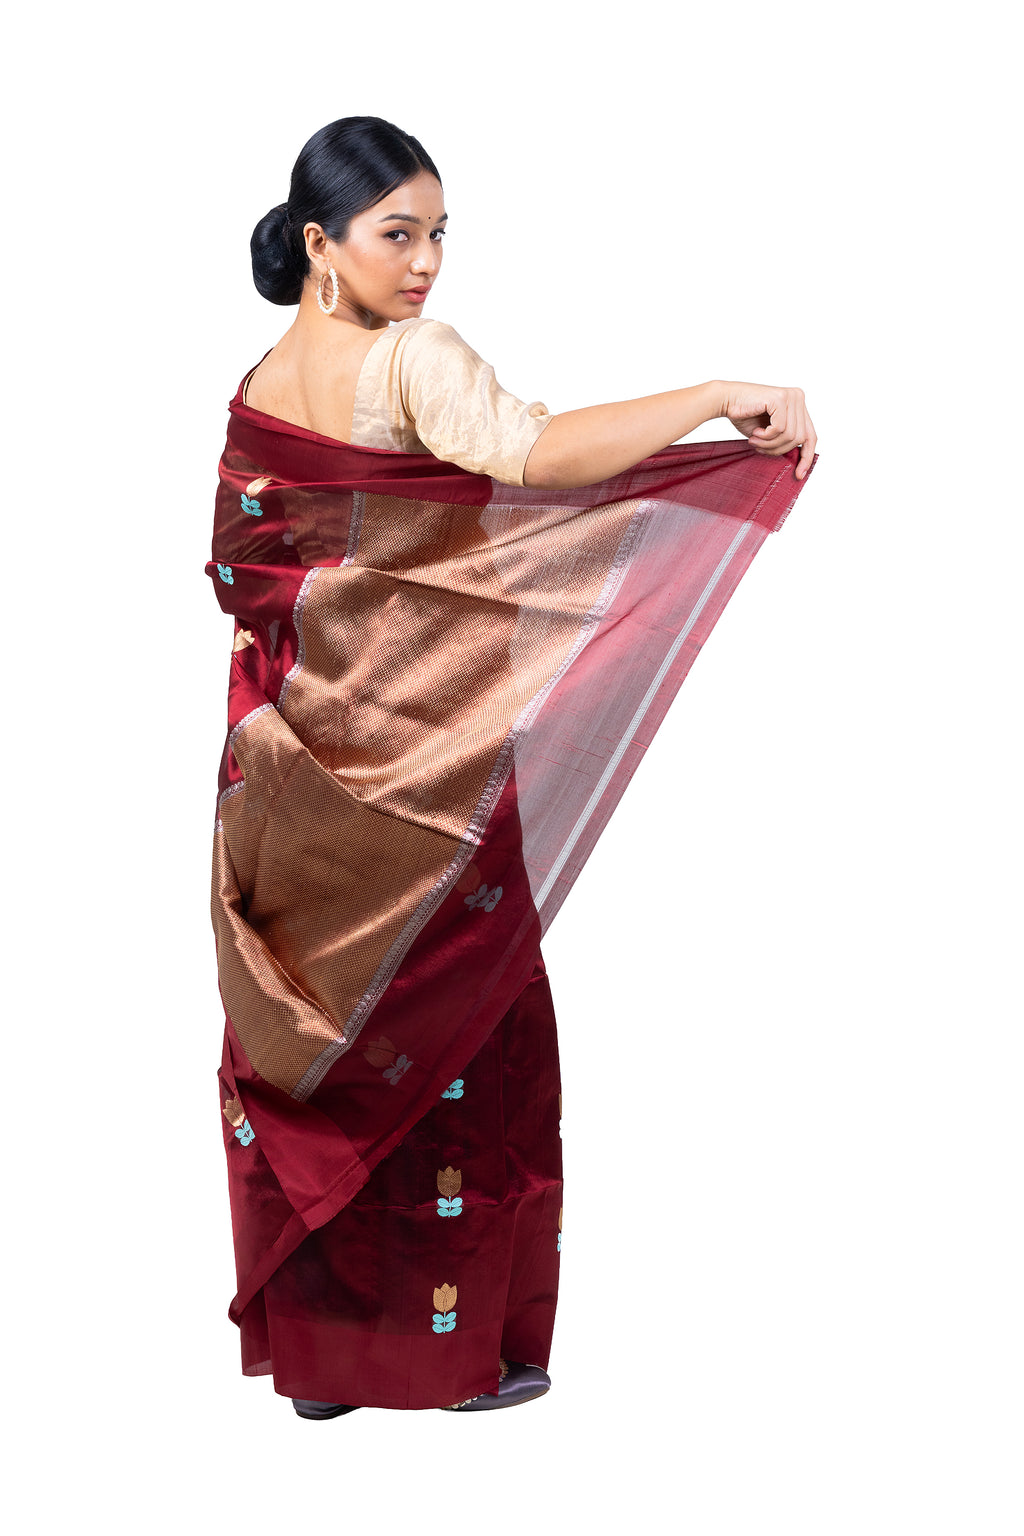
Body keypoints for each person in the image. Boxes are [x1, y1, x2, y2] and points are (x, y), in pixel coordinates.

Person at [208, 116, 818, 1420]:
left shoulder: (261, 381)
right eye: (397, 233)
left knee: (316, 1040)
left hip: (286, 768)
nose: (426, 263)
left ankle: (328, 1367)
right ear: (321, 242)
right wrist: (715, 395)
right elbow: (533, 455)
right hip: (422, 777)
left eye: (439, 233)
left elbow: (248, 573)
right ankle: (455, 1356)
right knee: (465, 1030)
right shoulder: (408, 361)